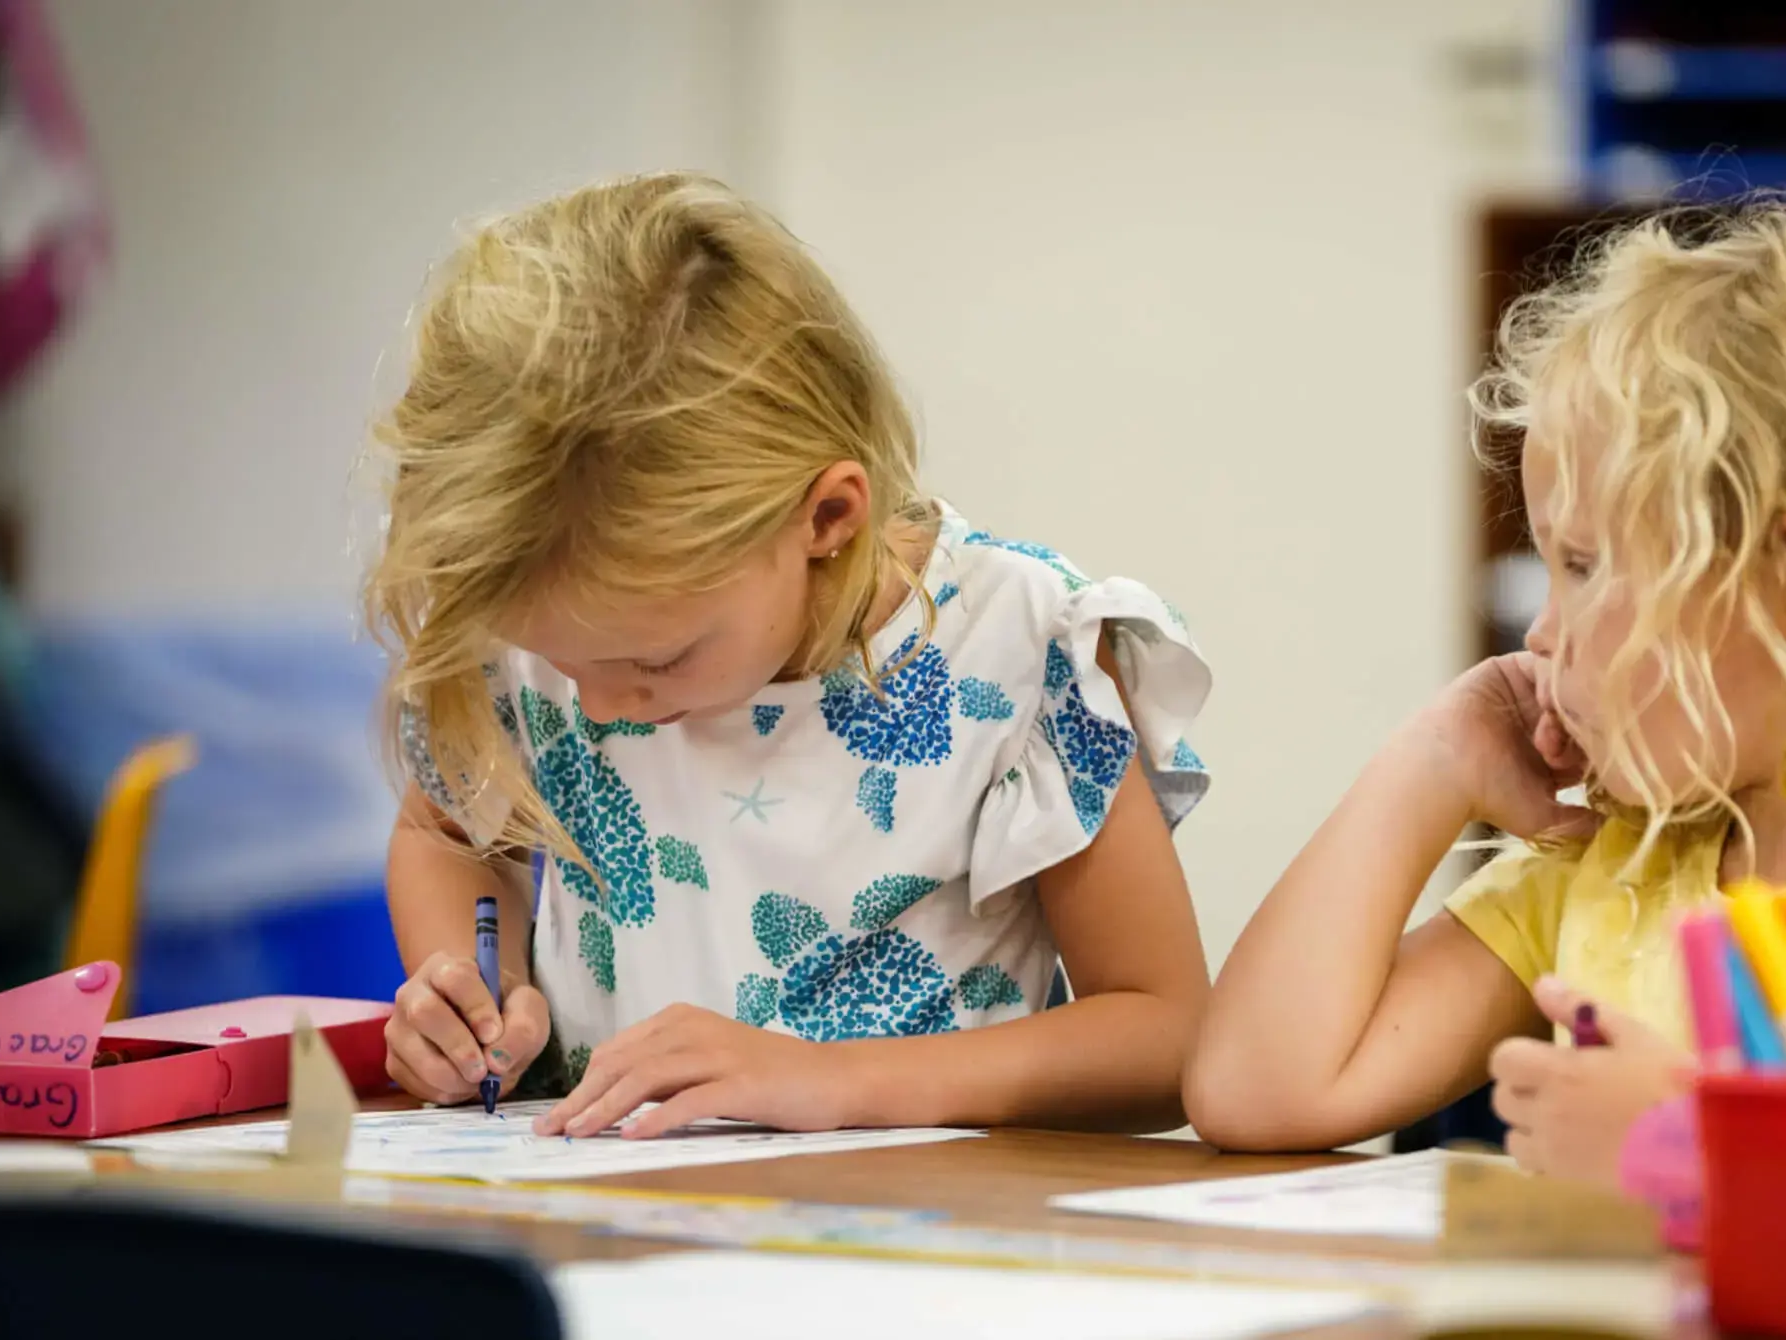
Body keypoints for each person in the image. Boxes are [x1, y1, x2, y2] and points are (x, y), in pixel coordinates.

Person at [1185, 206, 1786, 1183]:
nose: (1539, 631)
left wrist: (1694, 1141)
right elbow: (1258, 1089)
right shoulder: (1615, 864)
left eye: (1585, 564)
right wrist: (1431, 762)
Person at [365, 173, 1212, 1139]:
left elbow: (1164, 1036)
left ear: (827, 517)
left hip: (918, 1244)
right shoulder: (559, 627)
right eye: (558, 663)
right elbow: (446, 832)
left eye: (660, 660)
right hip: (604, 1222)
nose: (597, 709)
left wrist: (833, 1082)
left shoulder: (1017, 644)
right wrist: (473, 990)